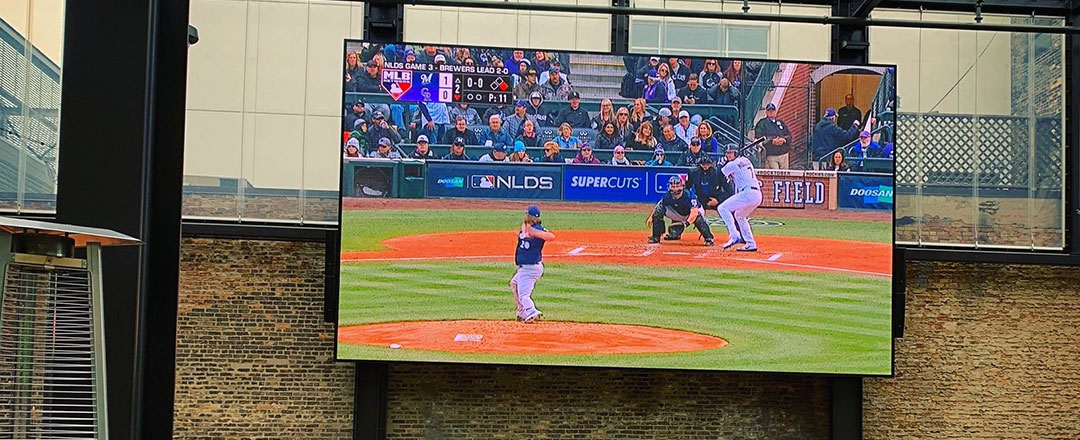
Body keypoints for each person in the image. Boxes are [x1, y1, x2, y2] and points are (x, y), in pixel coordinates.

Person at [511, 205, 556, 323]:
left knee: (524, 295)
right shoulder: (525, 227)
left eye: (527, 214)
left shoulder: (537, 229)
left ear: (530, 216)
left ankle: (532, 311)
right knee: (514, 283)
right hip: (525, 267)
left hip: (530, 267)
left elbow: (551, 236)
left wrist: (535, 233)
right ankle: (521, 312)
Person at [646, 176, 715, 246]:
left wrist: (686, 223)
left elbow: (694, 212)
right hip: (678, 212)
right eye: (673, 187)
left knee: (698, 218)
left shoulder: (689, 196)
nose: (675, 189)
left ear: (682, 186)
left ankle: (708, 238)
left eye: (677, 186)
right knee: (658, 211)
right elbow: (659, 205)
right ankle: (656, 237)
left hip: (692, 213)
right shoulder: (667, 196)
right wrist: (652, 217)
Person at [718, 146, 761, 252]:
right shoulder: (746, 160)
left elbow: (719, 174)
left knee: (722, 208)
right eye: (727, 153)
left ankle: (734, 235)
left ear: (736, 153)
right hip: (757, 194)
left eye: (730, 153)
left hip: (748, 193)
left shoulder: (732, 164)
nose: (728, 155)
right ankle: (750, 243)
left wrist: (721, 164)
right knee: (739, 215)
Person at [754, 103, 792, 169]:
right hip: (771, 155)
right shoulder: (762, 123)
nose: (771, 112)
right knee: (774, 173)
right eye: (769, 110)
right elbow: (759, 138)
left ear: (775, 111)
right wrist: (772, 140)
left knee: (785, 174)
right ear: (766, 112)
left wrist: (784, 139)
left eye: (772, 110)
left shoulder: (781, 122)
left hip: (784, 154)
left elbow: (789, 135)